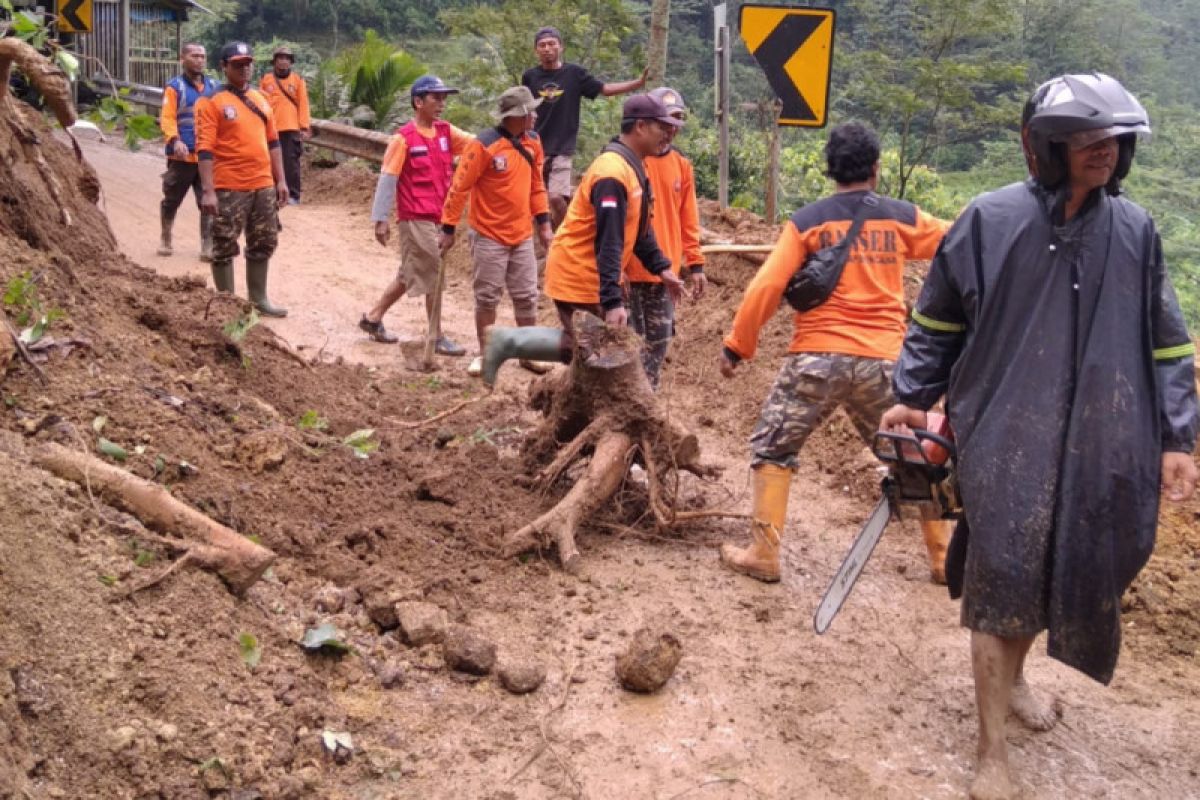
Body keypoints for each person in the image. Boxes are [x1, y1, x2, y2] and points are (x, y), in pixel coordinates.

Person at [880, 74, 1198, 800]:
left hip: (1103, 441)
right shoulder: (988, 221)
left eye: (1114, 141)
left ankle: (1018, 679)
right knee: (1003, 578)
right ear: (1044, 147)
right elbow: (935, 322)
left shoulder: (1136, 230)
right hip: (1005, 431)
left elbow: (1167, 343)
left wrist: (1177, 438)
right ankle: (992, 753)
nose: (1104, 154)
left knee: (1069, 569)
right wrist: (911, 397)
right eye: (1086, 141)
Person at [717, 122, 952, 584]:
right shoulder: (902, 217)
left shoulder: (808, 221)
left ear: (830, 169)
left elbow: (766, 286)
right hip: (886, 361)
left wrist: (737, 346)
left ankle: (764, 555)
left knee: (773, 447)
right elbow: (960, 242)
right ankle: (944, 559)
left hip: (817, 357)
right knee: (910, 455)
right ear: (877, 168)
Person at [481, 94, 685, 385]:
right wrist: (613, 300)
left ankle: (509, 342)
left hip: (591, 273)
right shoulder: (612, 174)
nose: (669, 133)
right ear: (640, 126)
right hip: (579, 273)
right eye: (661, 127)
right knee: (599, 352)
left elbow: (640, 228)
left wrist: (662, 267)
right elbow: (609, 242)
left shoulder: (634, 166)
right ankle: (508, 342)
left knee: (597, 350)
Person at [438, 86, 555, 378]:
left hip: (521, 234)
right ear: (517, 115)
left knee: (527, 295)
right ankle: (486, 352)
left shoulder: (533, 143)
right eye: (531, 110)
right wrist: (448, 228)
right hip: (488, 233)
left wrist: (544, 224)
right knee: (488, 296)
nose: (535, 115)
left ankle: (529, 353)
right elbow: (460, 187)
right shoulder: (483, 145)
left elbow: (537, 185)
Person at [359, 75, 471, 356]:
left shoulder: (446, 132)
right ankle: (435, 337)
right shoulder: (403, 138)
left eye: (444, 98)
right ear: (418, 101)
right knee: (433, 270)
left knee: (411, 271)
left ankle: (373, 317)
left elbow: (476, 145)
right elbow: (388, 179)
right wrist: (381, 219)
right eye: (436, 98)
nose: (442, 104)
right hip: (414, 215)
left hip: (439, 215)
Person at [195, 42, 290, 316]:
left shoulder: (261, 99)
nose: (244, 68)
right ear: (224, 67)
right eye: (237, 64)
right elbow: (204, 149)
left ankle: (258, 299)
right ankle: (228, 305)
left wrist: (280, 181)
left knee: (264, 240)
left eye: (247, 63)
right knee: (224, 243)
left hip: (263, 185)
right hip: (229, 186)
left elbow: (273, 143)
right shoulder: (211, 102)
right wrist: (209, 190)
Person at [521, 26, 648, 228]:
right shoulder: (530, 77)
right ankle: (550, 234)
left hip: (562, 146)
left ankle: (566, 234)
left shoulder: (574, 74)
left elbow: (604, 89)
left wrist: (637, 83)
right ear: (536, 50)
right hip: (535, 146)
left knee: (554, 197)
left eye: (551, 44)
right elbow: (523, 107)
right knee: (537, 199)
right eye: (542, 45)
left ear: (560, 47)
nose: (547, 48)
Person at [625, 86, 705, 390]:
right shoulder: (630, 160)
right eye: (666, 123)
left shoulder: (681, 165)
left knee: (658, 341)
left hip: (664, 272)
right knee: (628, 343)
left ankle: (648, 398)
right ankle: (632, 399)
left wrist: (695, 265)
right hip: (630, 271)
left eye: (676, 124)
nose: (670, 131)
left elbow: (689, 218)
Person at [157, 42, 218, 260]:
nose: (200, 60)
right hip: (182, 156)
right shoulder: (175, 88)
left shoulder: (214, 87)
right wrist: (174, 140)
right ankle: (166, 236)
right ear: (183, 59)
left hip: (207, 158)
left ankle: (208, 244)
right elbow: (167, 117)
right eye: (195, 56)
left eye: (202, 56)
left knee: (208, 200)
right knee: (172, 198)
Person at [259, 45, 311, 205]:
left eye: (287, 59)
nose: (283, 62)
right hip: (271, 128)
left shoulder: (297, 80)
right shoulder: (266, 80)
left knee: (291, 163)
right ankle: (274, 193)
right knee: (270, 162)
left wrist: (304, 127)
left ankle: (293, 195)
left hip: (290, 128)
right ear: (274, 62)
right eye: (280, 58)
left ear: (291, 62)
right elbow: (261, 103)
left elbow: (303, 104)